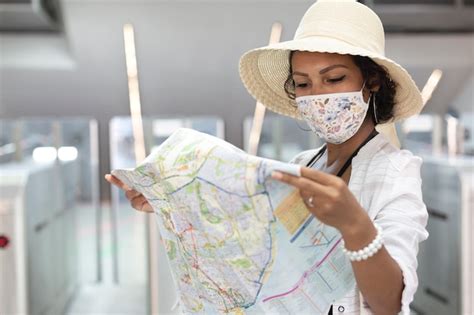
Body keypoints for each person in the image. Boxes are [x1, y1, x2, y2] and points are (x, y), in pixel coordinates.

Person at [106, 0, 429, 314]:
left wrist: (355, 225)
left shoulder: (396, 171)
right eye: (303, 83)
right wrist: (173, 202)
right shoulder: (304, 164)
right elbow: (250, 240)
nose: (317, 97)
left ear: (371, 81)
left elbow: (390, 304)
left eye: (333, 79)